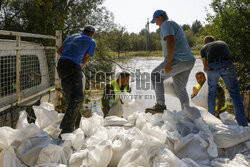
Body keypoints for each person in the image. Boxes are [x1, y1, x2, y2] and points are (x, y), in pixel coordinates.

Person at [146, 10, 195, 114]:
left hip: (178, 59)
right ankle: (187, 113)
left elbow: (171, 41)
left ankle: (160, 105)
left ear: (159, 18)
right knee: (180, 89)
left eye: (156, 21)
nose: (157, 25)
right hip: (189, 61)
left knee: (155, 75)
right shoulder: (172, 24)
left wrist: (168, 63)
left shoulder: (166, 24)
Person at [57, 25, 96, 137]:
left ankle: (76, 126)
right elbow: (85, 60)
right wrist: (78, 65)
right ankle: (67, 130)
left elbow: (60, 51)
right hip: (73, 66)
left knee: (71, 98)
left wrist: (69, 56)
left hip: (61, 65)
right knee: (78, 98)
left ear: (83, 31)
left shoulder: (72, 36)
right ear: (92, 34)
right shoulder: (91, 41)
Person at [201, 36, 248, 126]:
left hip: (212, 66)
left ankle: (211, 122)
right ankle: (243, 124)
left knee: (212, 93)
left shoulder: (204, 48)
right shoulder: (222, 43)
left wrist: (210, 72)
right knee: (235, 94)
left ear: (205, 43)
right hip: (227, 65)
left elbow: (205, 66)